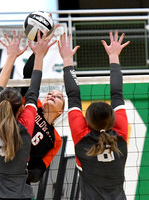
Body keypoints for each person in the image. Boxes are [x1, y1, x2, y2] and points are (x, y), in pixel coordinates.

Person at [0, 29, 57, 200]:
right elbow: (33, 90)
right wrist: (40, 55)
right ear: (20, 110)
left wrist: (11, 56)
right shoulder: (25, 127)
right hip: (19, 195)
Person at [58, 30, 129, 199]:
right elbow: (117, 94)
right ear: (112, 119)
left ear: (86, 121)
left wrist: (67, 59)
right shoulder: (120, 136)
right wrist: (114, 56)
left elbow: (73, 95)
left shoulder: (82, 138)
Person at [21, 52, 64, 183]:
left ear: (61, 111)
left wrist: (24, 174)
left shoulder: (56, 139)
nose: (52, 96)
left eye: (58, 97)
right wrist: (37, 52)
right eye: (50, 93)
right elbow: (27, 76)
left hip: (21, 181)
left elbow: (39, 170)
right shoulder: (33, 106)